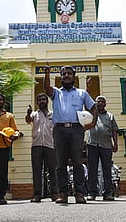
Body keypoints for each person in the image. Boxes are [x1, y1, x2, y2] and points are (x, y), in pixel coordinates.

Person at [44, 63, 97, 204]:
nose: (66, 76)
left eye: (69, 73)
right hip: (59, 130)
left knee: (78, 162)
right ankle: (63, 193)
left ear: (74, 77)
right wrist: (47, 74)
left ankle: (80, 193)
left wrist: (93, 123)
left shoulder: (82, 93)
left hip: (76, 130)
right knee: (60, 163)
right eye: (64, 74)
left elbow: (93, 107)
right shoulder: (56, 92)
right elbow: (47, 89)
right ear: (61, 77)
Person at [25, 93, 57, 203]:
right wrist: (28, 114)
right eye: (39, 100)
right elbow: (28, 120)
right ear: (37, 102)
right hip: (36, 145)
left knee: (53, 170)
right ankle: (37, 195)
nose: (41, 101)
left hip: (50, 145)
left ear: (47, 101)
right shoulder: (34, 114)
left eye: (43, 99)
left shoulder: (53, 114)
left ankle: (54, 194)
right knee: (37, 171)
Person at [86, 96, 119, 201]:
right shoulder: (91, 115)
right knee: (92, 170)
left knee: (107, 170)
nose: (100, 103)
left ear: (105, 104)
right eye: (98, 101)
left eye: (102, 101)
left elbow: (114, 130)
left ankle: (108, 193)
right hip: (92, 145)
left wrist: (115, 143)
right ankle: (92, 192)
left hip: (106, 146)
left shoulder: (110, 116)